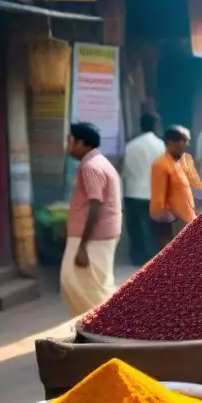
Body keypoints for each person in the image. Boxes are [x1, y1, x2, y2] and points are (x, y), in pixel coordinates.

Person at [62, 122, 122, 316]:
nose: (67, 145)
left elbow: (95, 205)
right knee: (90, 284)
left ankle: (103, 326)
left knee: (85, 286)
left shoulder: (90, 167)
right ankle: (98, 327)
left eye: (69, 140)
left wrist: (82, 246)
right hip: (98, 235)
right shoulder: (99, 163)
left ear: (82, 143)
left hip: (92, 237)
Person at [150, 126, 202, 249]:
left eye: (187, 140)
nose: (186, 144)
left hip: (186, 222)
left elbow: (183, 191)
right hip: (174, 224)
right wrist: (172, 221)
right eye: (183, 141)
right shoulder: (161, 165)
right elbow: (159, 198)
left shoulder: (180, 163)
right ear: (170, 143)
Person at [121, 113, 164, 265]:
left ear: (141, 126)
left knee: (135, 228)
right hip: (153, 193)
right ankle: (151, 259)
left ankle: (136, 258)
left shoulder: (130, 146)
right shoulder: (161, 146)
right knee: (152, 228)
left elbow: (125, 172)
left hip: (132, 192)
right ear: (155, 126)